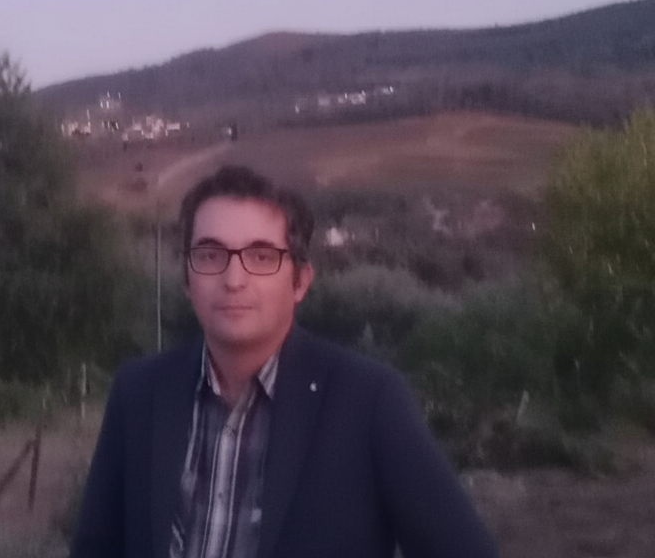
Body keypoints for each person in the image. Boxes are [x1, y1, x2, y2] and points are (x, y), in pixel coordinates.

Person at [71, 165, 497, 558]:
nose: (234, 280)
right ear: (187, 278)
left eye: (261, 256)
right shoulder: (139, 393)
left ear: (300, 282)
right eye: (210, 254)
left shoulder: (370, 404)